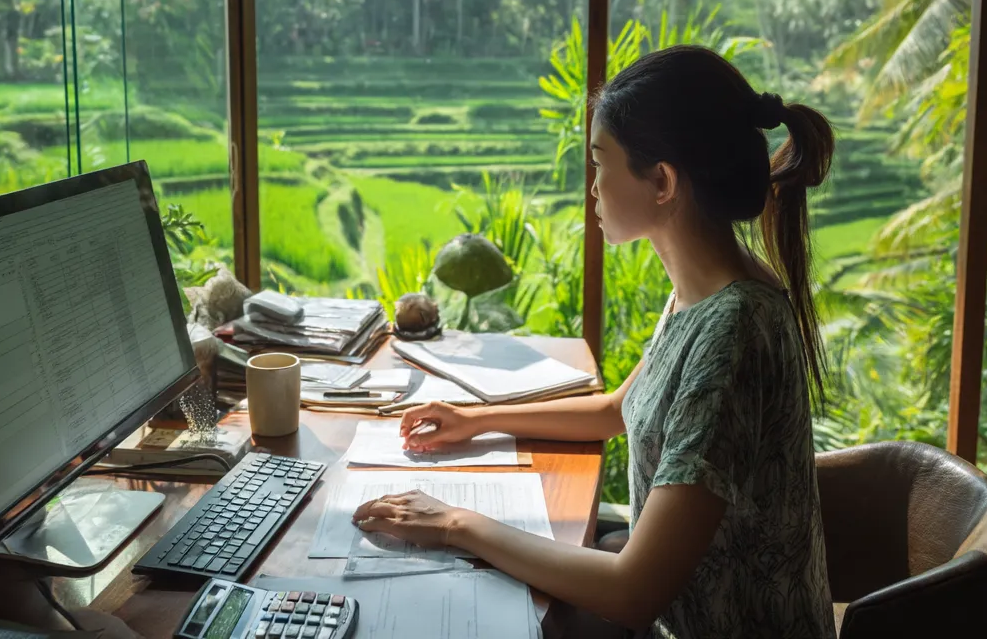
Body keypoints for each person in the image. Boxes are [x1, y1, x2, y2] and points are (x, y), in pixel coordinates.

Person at [352, 45, 837, 639]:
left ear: (661, 181)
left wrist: (453, 521)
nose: (593, 189)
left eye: (600, 164)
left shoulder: (732, 328)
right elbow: (616, 411)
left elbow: (632, 592)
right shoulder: (707, 286)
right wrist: (476, 419)